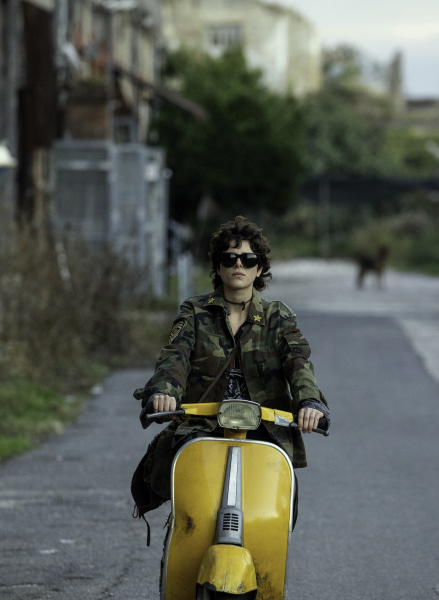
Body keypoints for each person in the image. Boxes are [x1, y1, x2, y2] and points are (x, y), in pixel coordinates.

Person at [132, 216, 329, 519]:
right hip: (203, 426)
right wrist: (164, 392)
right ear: (218, 266)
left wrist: (310, 402)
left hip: (264, 429)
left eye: (248, 259)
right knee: (192, 506)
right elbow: (175, 356)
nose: (239, 264)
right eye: (229, 258)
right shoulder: (195, 312)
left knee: (273, 511)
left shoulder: (278, 317)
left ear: (259, 268)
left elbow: (298, 362)